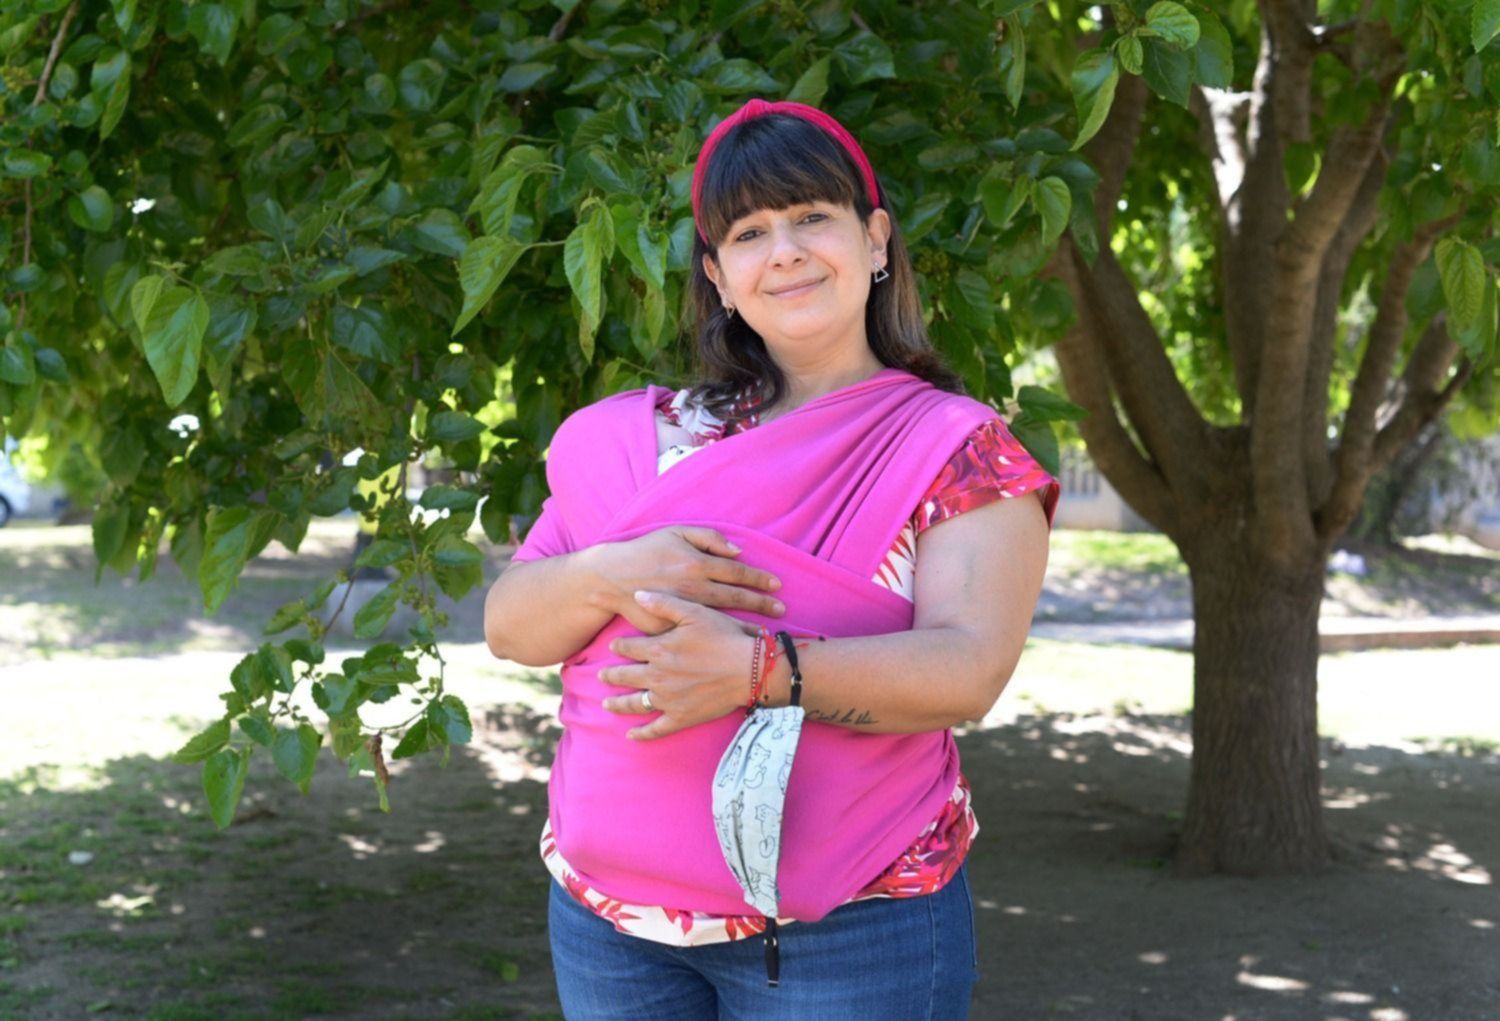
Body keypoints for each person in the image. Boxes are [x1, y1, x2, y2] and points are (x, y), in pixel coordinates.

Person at [483, 98, 1058, 1020]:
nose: (783, 251)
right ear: (719, 275)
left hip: (850, 931)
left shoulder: (957, 450)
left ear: (875, 241)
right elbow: (511, 626)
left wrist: (754, 669)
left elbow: (969, 670)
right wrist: (610, 571)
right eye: (749, 233)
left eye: (810, 217)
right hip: (607, 924)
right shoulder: (651, 438)